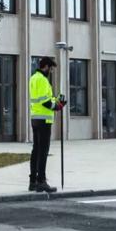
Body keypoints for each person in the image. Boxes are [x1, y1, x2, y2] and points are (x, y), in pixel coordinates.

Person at [28, 56, 64, 192]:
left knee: (36, 150)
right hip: (44, 120)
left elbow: (44, 99)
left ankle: (32, 181)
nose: (51, 72)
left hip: (35, 118)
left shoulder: (33, 78)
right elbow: (46, 102)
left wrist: (57, 100)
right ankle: (41, 181)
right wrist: (58, 106)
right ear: (47, 67)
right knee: (43, 151)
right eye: (51, 69)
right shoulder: (43, 80)